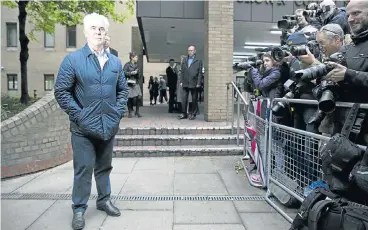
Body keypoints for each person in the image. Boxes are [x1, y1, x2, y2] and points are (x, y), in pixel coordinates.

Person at [54, 13, 127, 230]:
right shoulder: (73, 60)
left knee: (104, 167)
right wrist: (80, 116)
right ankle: (79, 209)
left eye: (101, 29)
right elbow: (61, 91)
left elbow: (122, 89)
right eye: (93, 28)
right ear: (86, 32)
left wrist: (117, 113)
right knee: (84, 169)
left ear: (106, 33)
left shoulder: (115, 61)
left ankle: (104, 200)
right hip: (83, 129)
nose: (98, 32)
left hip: (108, 127)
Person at [179, 46, 203, 120]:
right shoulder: (185, 60)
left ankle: (193, 114)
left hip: (194, 82)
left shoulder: (198, 61)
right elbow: (182, 72)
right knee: (184, 99)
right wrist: (181, 81)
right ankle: (184, 113)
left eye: (191, 50)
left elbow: (200, 73)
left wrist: (199, 82)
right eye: (189, 50)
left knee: (194, 99)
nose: (190, 52)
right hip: (185, 82)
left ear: (195, 51)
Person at [123, 52, 142, 118]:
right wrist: (131, 73)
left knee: (139, 97)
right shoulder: (127, 65)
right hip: (129, 83)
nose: (137, 58)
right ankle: (130, 111)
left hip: (136, 83)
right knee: (129, 98)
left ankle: (137, 111)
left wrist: (137, 73)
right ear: (132, 57)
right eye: (136, 57)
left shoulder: (137, 65)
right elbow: (124, 73)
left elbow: (139, 76)